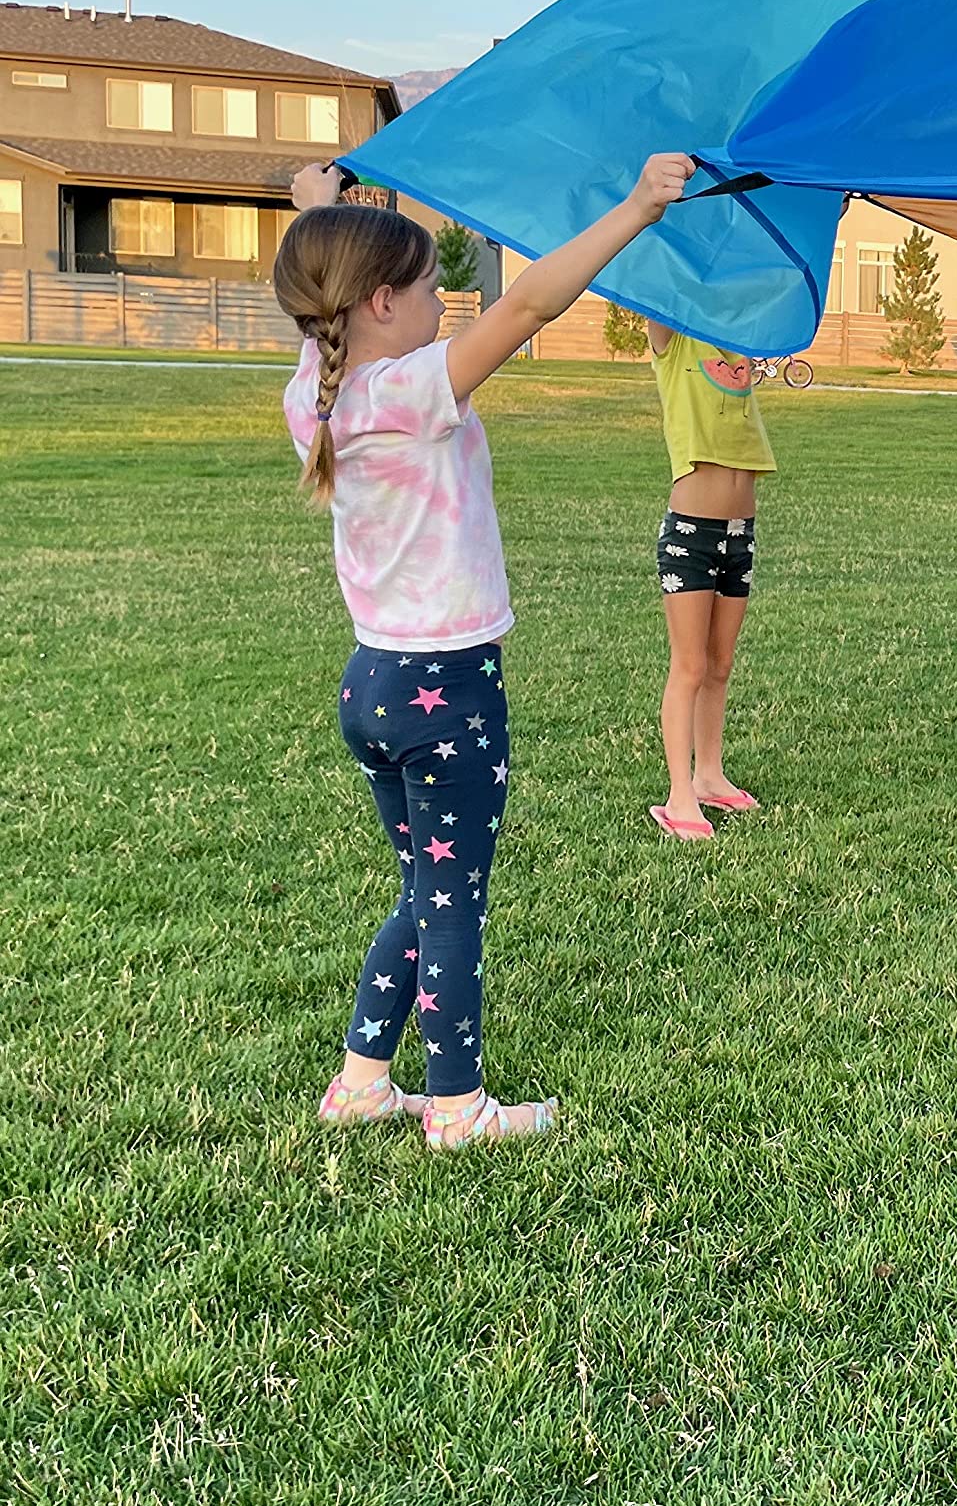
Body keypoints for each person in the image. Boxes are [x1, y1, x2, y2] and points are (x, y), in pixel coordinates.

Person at [277, 152, 697, 1149]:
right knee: (452, 903)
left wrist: (313, 204)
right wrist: (637, 205)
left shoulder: (317, 387)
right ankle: (458, 1107)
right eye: (431, 289)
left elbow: (319, 277)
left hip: (373, 684)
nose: (446, 305)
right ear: (380, 301)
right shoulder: (406, 393)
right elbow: (528, 309)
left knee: (426, 889)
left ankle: (362, 1082)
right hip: (446, 691)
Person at [643, 318, 776, 840]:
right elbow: (657, 277)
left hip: (741, 530)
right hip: (690, 533)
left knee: (720, 664)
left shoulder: (742, 342)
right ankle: (679, 797)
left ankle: (709, 777)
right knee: (691, 664)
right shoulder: (673, 340)